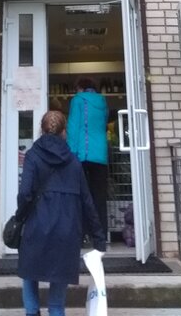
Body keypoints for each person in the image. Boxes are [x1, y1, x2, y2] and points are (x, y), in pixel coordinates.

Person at [17, 109, 106, 316]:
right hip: (66, 231)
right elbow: (87, 201)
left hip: (36, 226)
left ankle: (32, 312)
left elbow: (25, 193)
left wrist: (20, 217)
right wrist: (98, 238)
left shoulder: (32, 156)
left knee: (29, 272)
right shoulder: (73, 162)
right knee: (57, 304)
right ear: (64, 131)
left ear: (41, 130)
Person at [66, 77, 109, 239]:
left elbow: (73, 128)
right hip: (101, 155)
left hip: (83, 155)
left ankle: (82, 233)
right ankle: (101, 234)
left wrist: (71, 154)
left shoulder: (78, 100)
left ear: (80, 88)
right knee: (99, 196)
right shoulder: (102, 101)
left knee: (81, 195)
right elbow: (103, 124)